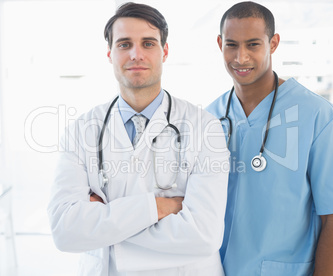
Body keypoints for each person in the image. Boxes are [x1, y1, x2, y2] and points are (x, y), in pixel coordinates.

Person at [47, 2, 229, 275]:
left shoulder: (204, 127)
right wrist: (160, 207)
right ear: (110, 53)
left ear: (164, 51)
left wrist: (104, 227)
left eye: (147, 43)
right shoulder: (81, 130)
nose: (136, 54)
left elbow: (204, 235)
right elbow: (64, 231)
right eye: (124, 44)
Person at [206, 1, 333, 276]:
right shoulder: (209, 118)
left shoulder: (318, 116)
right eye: (232, 45)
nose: (241, 57)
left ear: (273, 43)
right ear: (220, 44)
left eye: (253, 44)